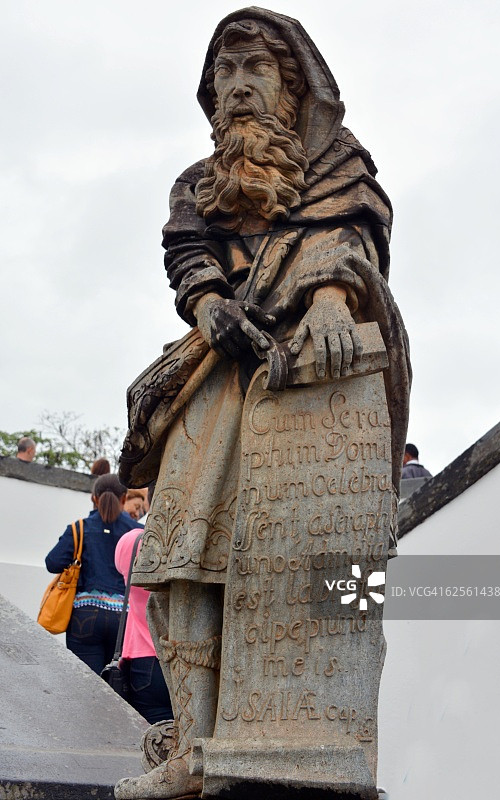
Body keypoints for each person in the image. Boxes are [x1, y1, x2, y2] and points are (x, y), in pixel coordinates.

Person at [116, 9, 411, 799]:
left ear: (291, 85)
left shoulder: (341, 164)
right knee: (180, 562)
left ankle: (314, 736)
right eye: (225, 72)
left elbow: (356, 238)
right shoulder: (197, 183)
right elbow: (187, 254)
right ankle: (191, 748)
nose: (238, 87)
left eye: (256, 70)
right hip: (216, 382)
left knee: (326, 568)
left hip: (310, 387)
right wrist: (209, 300)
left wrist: (326, 295)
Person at [45, 474, 139, 675]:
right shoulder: (139, 532)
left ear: (94, 498)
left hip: (85, 617)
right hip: (124, 620)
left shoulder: (79, 529)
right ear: (124, 498)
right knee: (117, 687)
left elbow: (52, 562)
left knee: (87, 686)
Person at [115, 527, 173, 724]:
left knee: (154, 740)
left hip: (145, 660)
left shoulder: (131, 541)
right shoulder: (183, 540)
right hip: (187, 660)